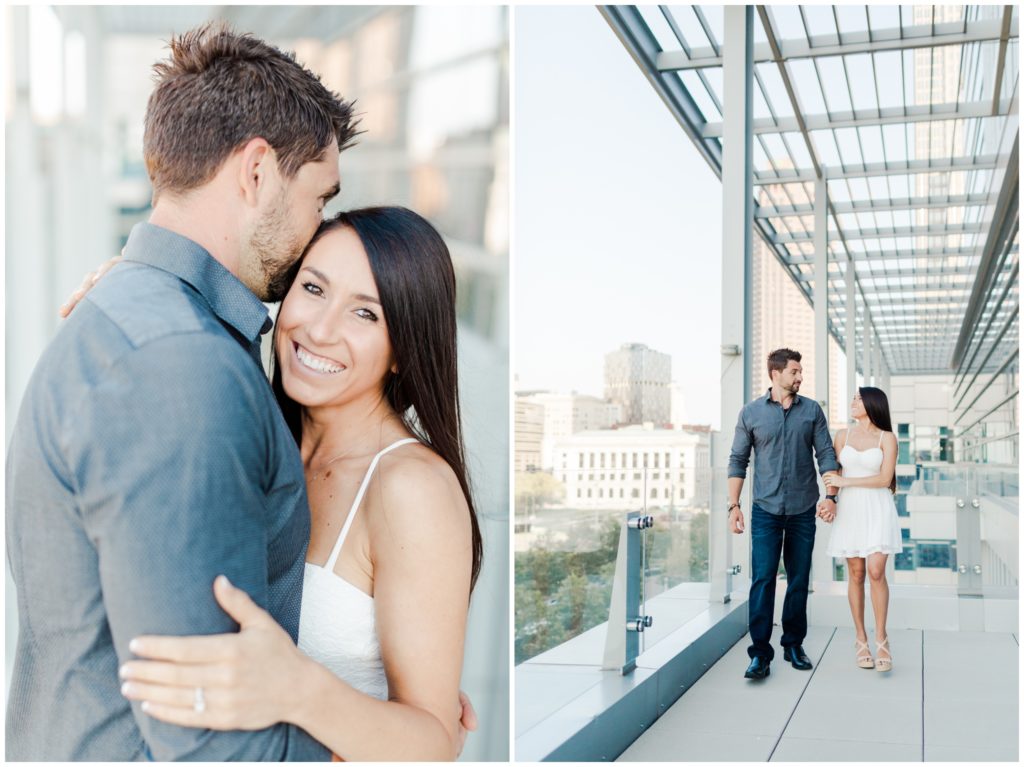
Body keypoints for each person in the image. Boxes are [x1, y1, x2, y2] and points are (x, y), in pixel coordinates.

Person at [6, 24, 473, 761]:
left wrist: (324, 695)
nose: (315, 324)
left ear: (400, 343)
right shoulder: (191, 369)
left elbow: (430, 734)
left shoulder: (192, 357)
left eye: (366, 311)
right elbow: (204, 744)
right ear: (256, 172)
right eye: (313, 285)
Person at [727, 348, 839, 680]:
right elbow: (737, 461)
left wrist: (832, 495)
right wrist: (733, 505)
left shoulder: (812, 411)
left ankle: (793, 644)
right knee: (762, 580)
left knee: (799, 579)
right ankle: (760, 654)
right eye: (794, 372)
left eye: (801, 371)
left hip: (804, 509)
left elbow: (827, 455)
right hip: (765, 510)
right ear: (775, 374)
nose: (800, 377)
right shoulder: (751, 413)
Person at [822, 387, 902, 672]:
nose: (853, 402)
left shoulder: (887, 438)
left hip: (878, 509)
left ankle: (882, 638)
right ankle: (860, 639)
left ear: (872, 403)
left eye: (857, 398)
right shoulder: (842, 436)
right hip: (851, 511)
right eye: (853, 398)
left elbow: (884, 479)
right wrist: (830, 499)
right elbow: (833, 474)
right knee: (855, 573)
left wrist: (846, 484)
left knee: (876, 571)